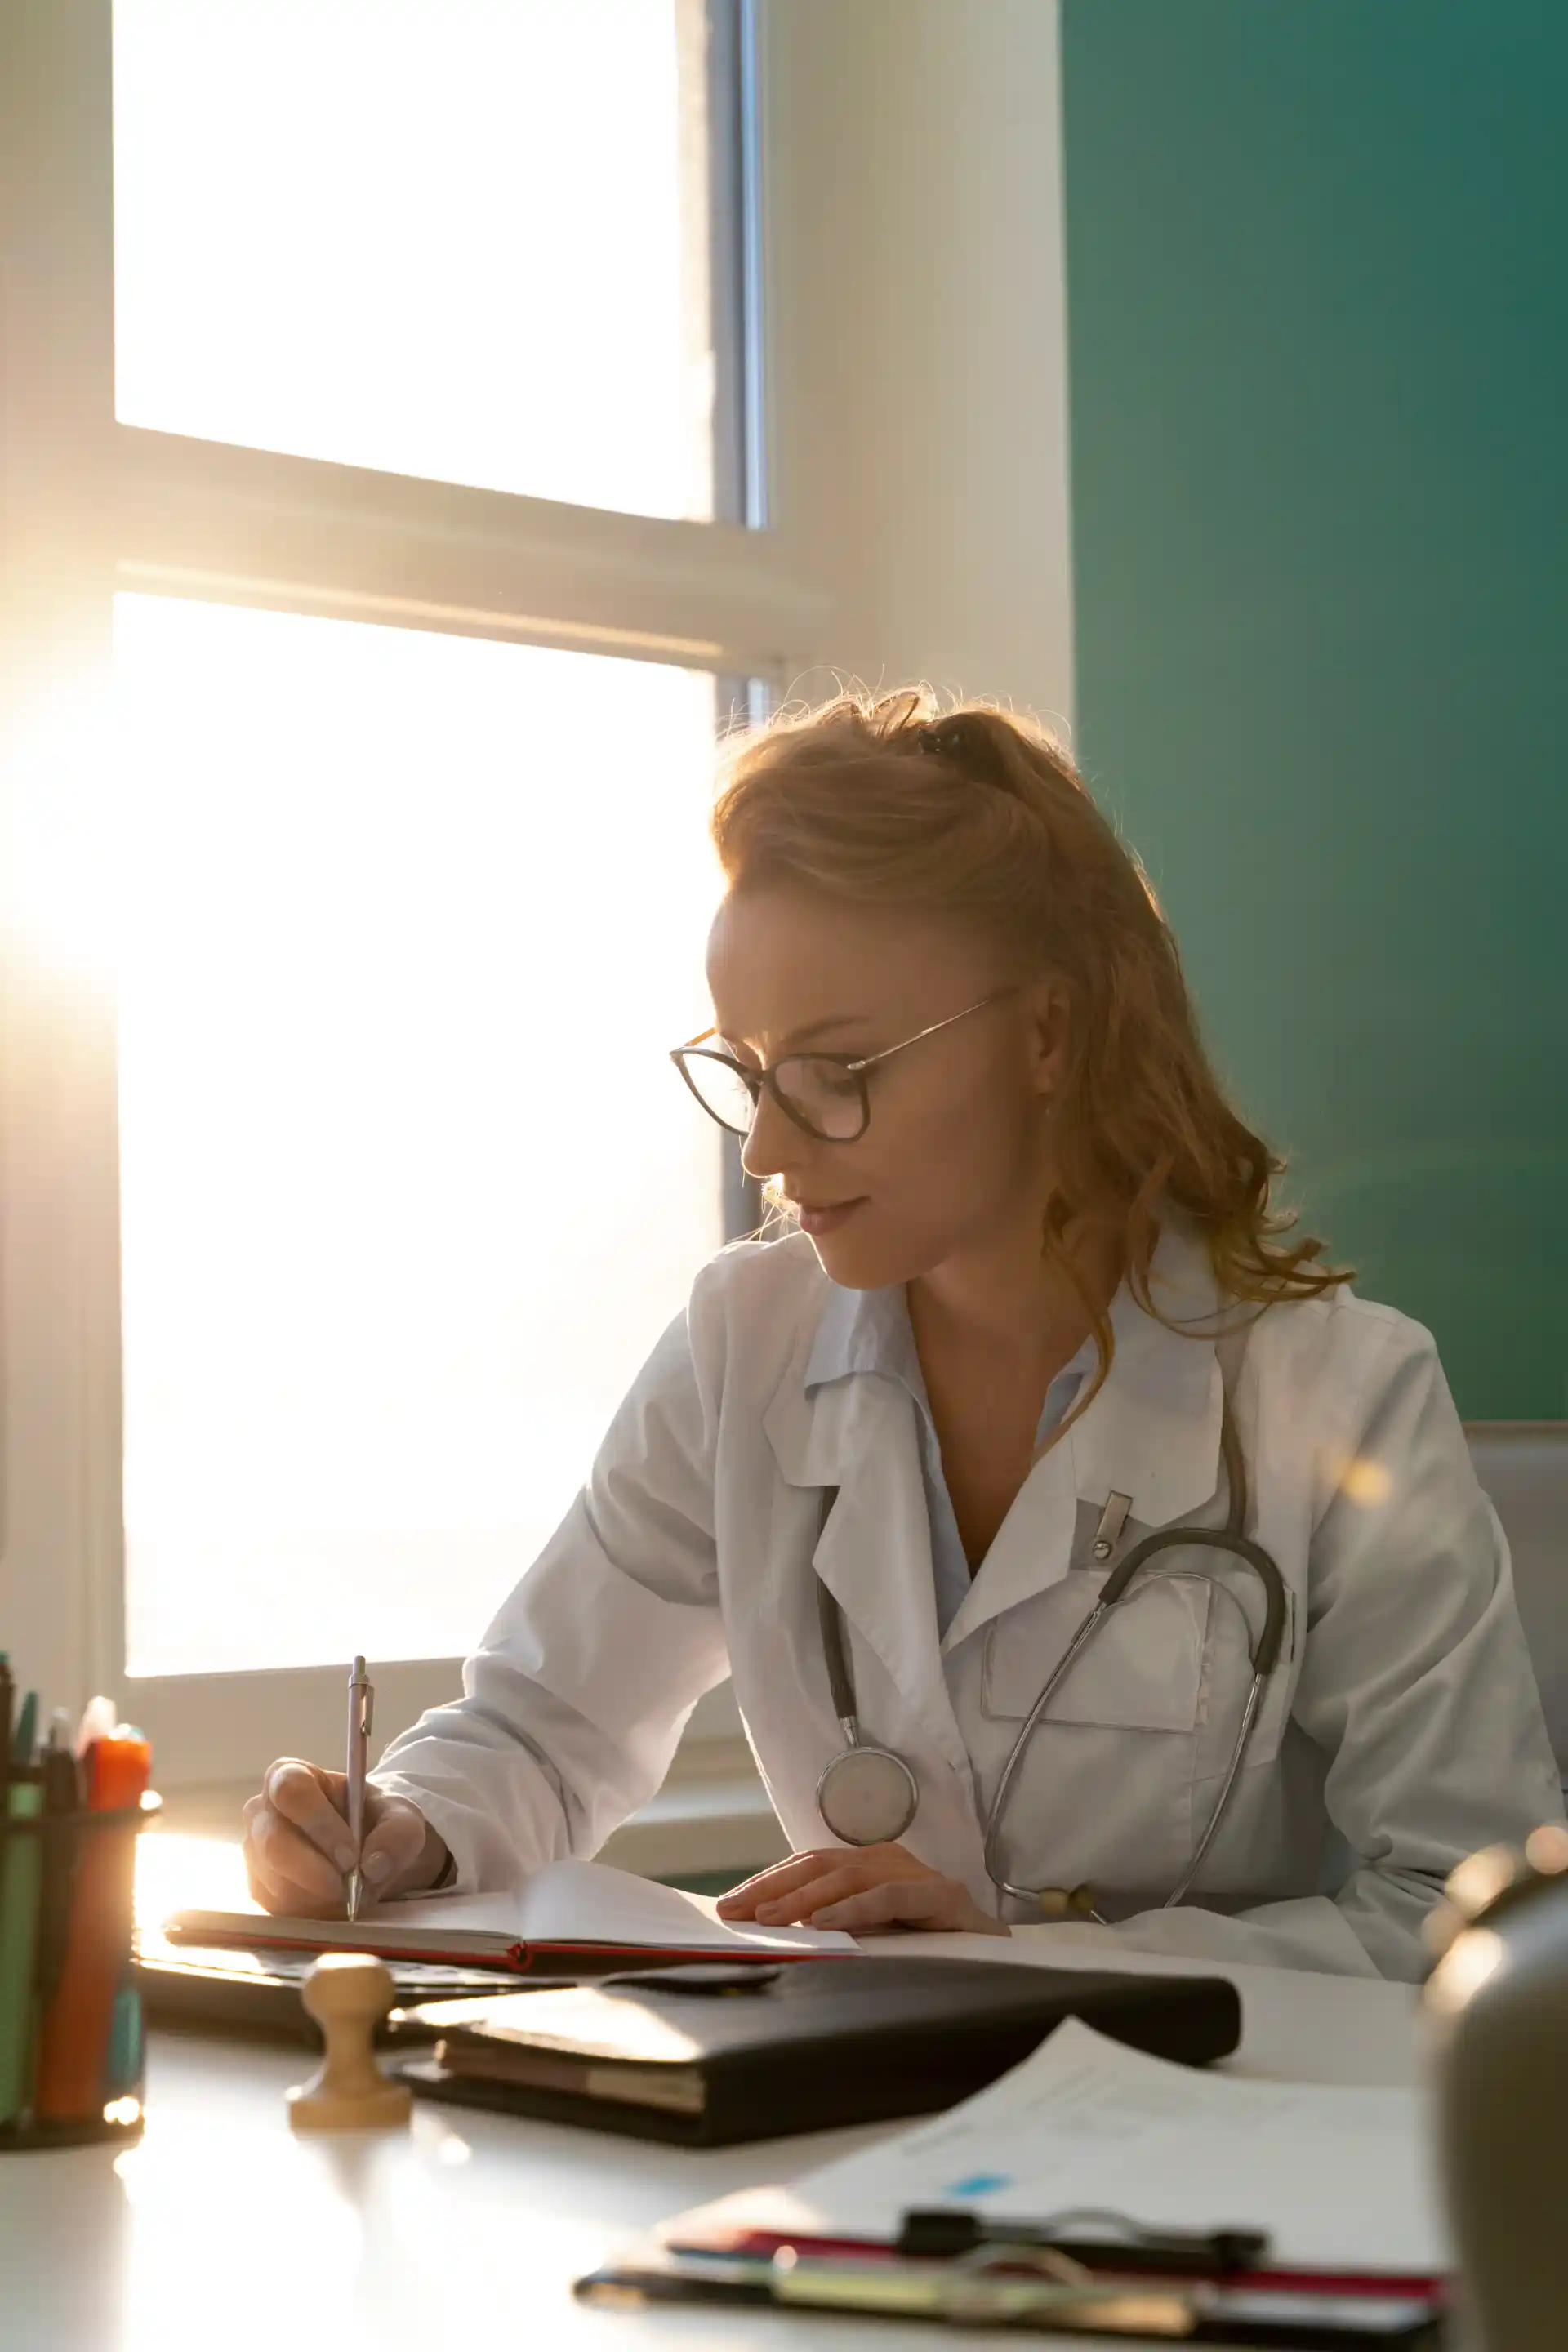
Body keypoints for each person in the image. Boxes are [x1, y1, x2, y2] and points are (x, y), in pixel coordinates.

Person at [241, 689, 1562, 1980]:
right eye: (751, 1072)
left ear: (1048, 1033)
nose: (765, 1145)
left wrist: (1036, 1961)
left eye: (837, 1074)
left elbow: (1469, 1915)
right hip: (844, 2125)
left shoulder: (1337, 1392)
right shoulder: (741, 1342)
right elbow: (540, 1728)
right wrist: (403, 1833)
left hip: (1205, 2146)